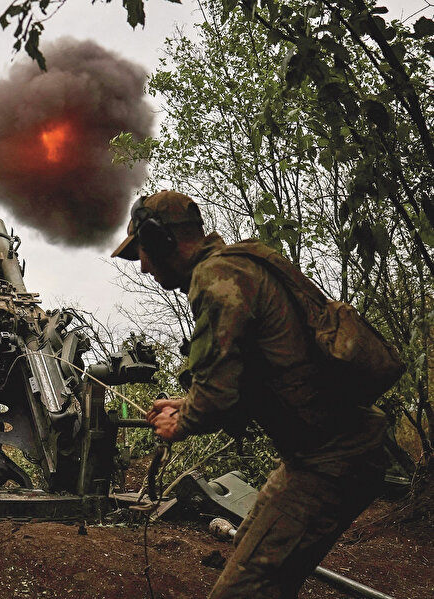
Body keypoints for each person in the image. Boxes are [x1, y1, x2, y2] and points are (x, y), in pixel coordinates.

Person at [112, 191, 387, 598]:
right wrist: (188, 404)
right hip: (319, 453)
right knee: (247, 556)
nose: (145, 267)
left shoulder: (217, 280)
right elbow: (247, 378)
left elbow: (218, 396)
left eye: (143, 254)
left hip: (332, 457)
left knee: (243, 589)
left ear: (161, 239)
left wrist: (182, 420)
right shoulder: (237, 267)